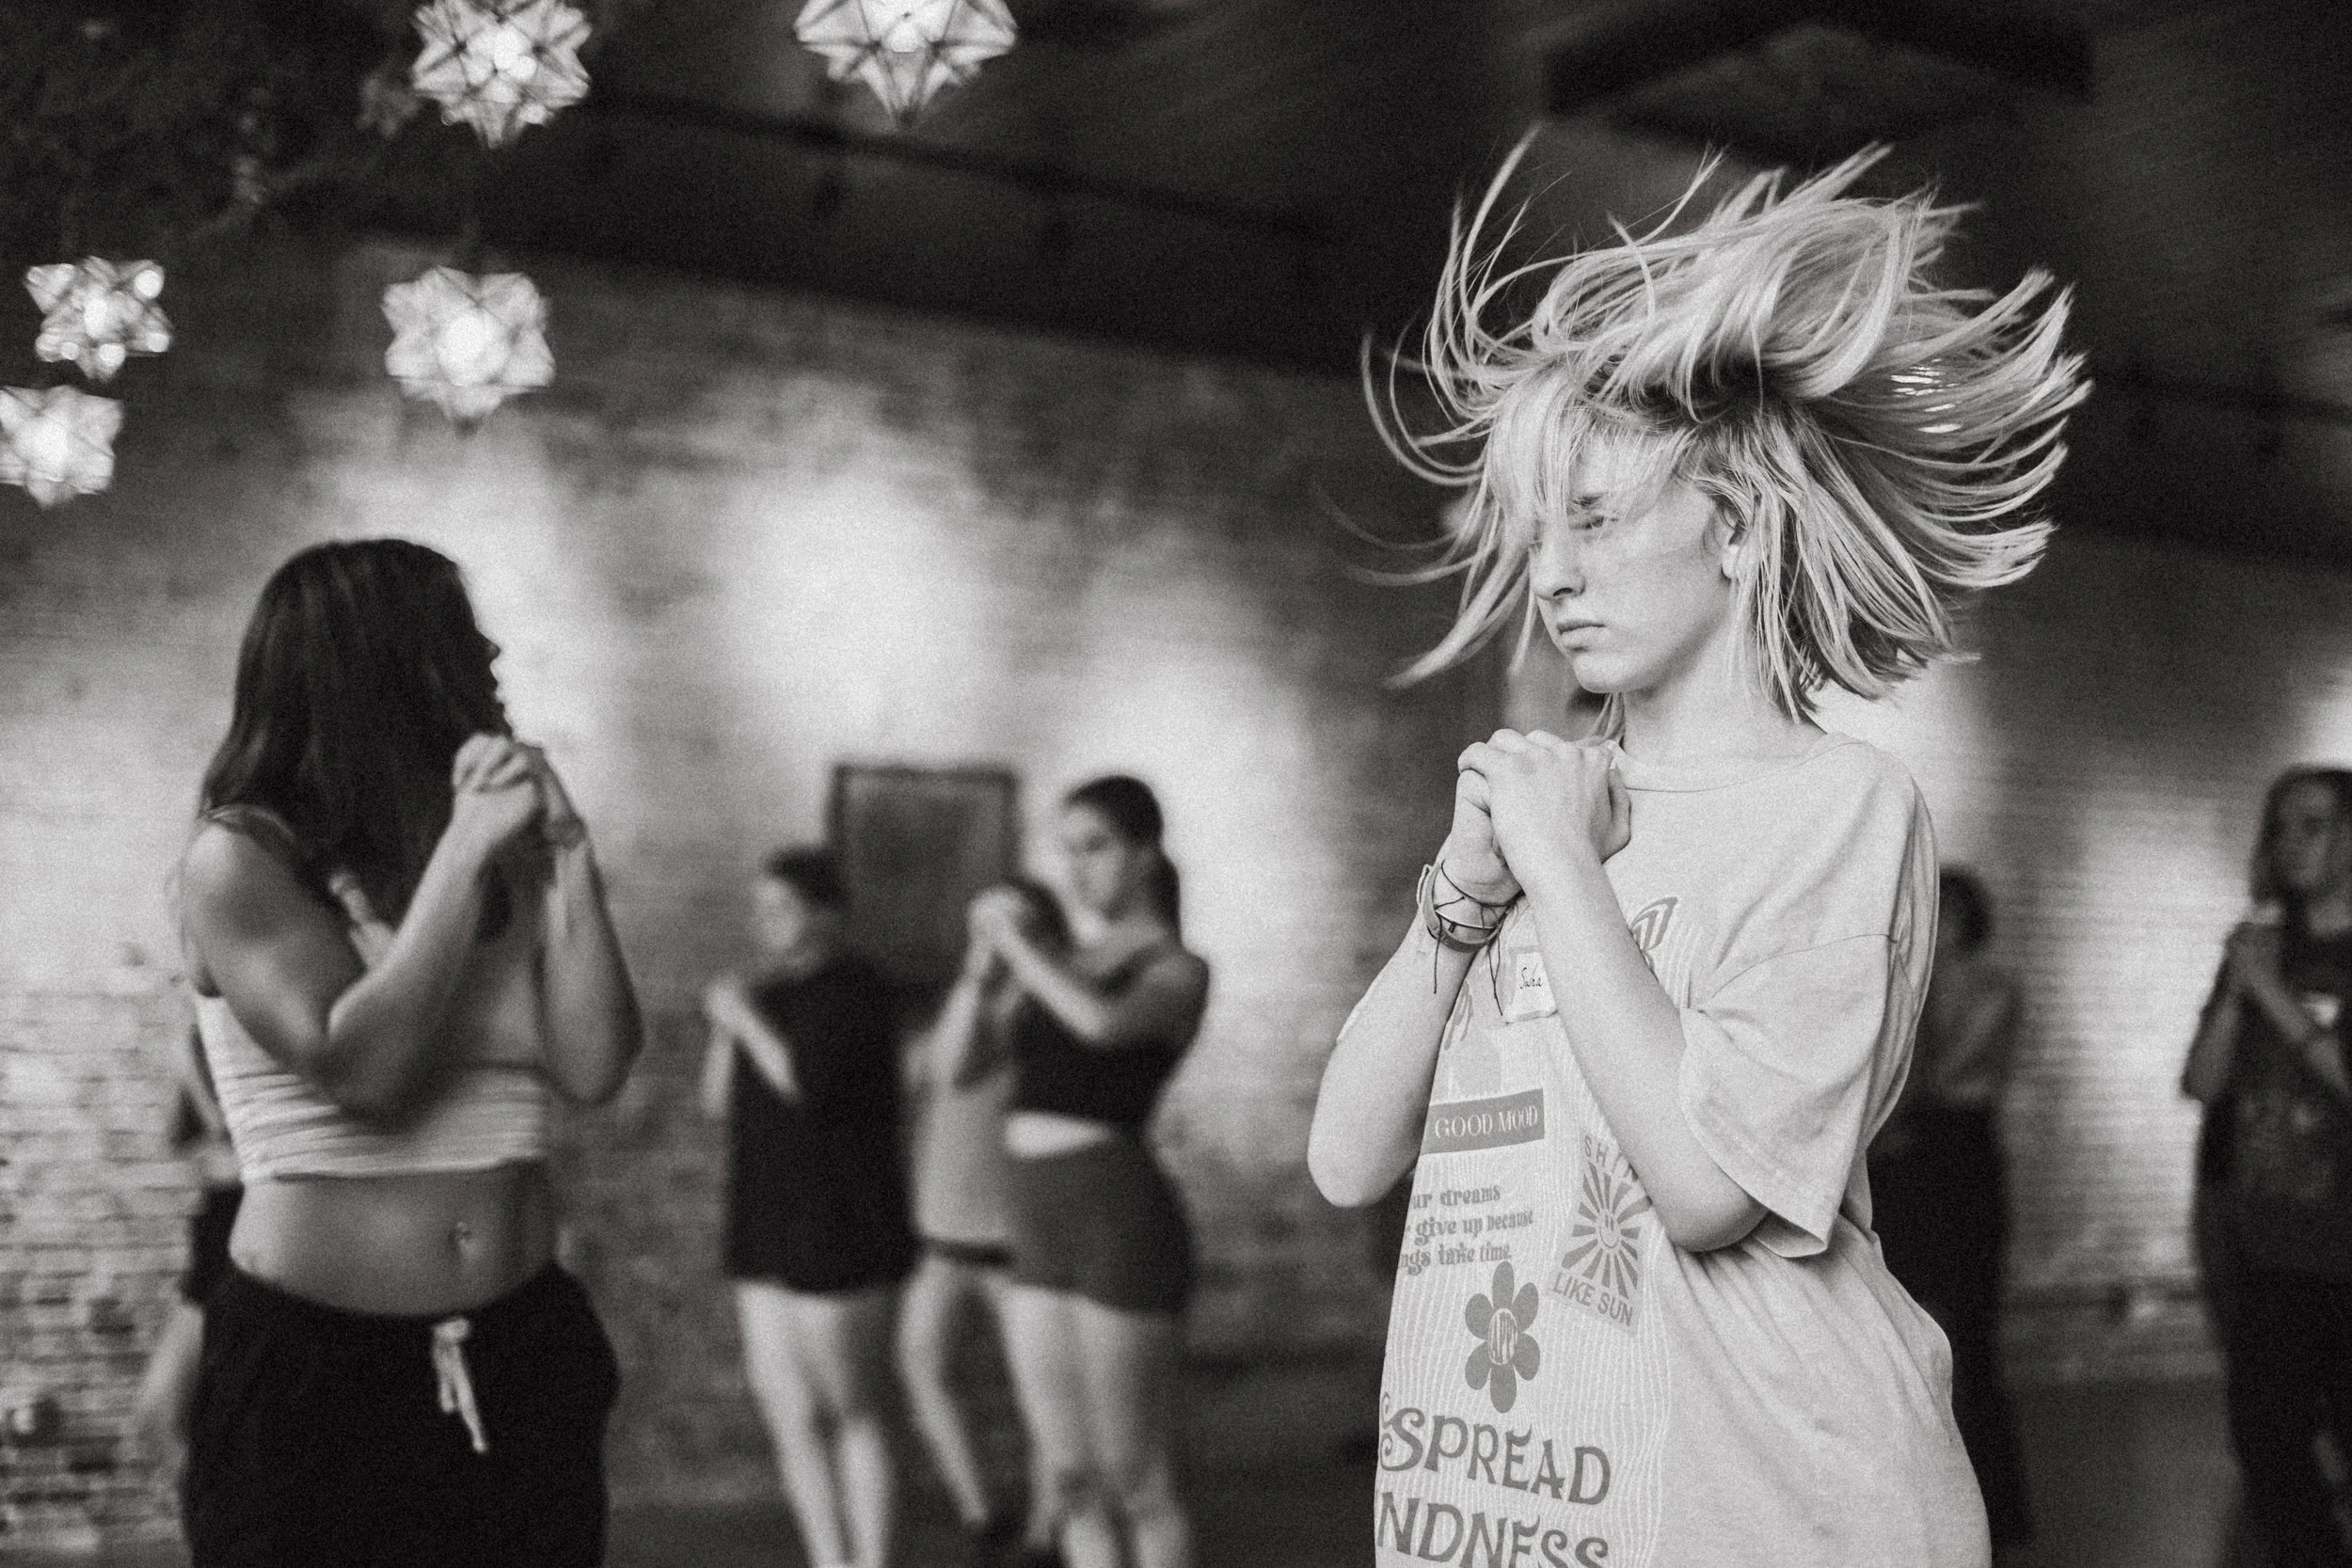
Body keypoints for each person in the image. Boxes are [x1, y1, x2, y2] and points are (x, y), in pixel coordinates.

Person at [1310, 142, 2084, 1566]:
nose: (1550, 575)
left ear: (1732, 526)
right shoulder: (1549, 806)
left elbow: (1711, 1186)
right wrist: (1465, 890)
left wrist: (1558, 870)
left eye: (1594, 518)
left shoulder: (1840, 802)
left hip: (1774, 1502)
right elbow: (1349, 1156)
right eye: (1538, 531)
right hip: (1524, 1487)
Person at [174, 538, 642, 1568]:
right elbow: (364, 1072)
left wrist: (567, 854)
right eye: (458, 632)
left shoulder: (512, 851)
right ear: (383, 662)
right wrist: (466, 848)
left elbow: (597, 1063)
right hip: (316, 1371)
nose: (489, 652)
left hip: (523, 1345)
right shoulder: (239, 858)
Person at [964, 776, 1210, 1568]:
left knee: (1135, 1474)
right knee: (1071, 1476)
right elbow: (964, 1063)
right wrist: (980, 965)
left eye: (1095, 847)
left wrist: (1021, 949)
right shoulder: (1055, 962)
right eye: (1066, 851)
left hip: (1118, 1217)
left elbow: (1103, 1025)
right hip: (1036, 1217)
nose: (1077, 869)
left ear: (1144, 855)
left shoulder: (1177, 965)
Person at [700, 847, 916, 1568]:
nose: (767, 923)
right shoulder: (764, 994)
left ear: (827, 912)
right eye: (760, 909)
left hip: (842, 1220)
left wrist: (744, 1018)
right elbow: (716, 1102)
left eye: (782, 907)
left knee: (852, 1407)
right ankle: (830, 1558)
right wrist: (727, 1026)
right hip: (767, 1217)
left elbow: (810, 1084)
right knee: (788, 1411)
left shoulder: (859, 991)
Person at [2183, 768, 2352, 1568]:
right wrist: (2233, 993)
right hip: (2269, 1242)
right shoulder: (2263, 946)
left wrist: (2272, 995)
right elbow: (2202, 1083)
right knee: (2267, 1439)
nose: (2291, 844)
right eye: (2281, 827)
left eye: (2313, 825)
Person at [1871, 868, 2037, 1561]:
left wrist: (1923, 981)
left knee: (1972, 1338)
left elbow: (1945, 1067)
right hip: (1906, 1162)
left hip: (1962, 1156)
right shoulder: (1904, 978)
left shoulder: (1990, 982)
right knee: (1895, 1333)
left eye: (1953, 912)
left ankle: (2001, 1514)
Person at [902, 877, 1069, 1565]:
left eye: (1012, 921)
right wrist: (976, 968)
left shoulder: (1045, 1005)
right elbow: (942, 1068)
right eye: (984, 920)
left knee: (1043, 1394)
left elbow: (961, 1064)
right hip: (943, 1234)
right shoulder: (967, 999)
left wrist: (1006, 967)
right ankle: (983, 1514)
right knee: (921, 1362)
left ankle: (1045, 1532)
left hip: (1014, 1236)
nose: (996, 932)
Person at [127, 1022, 243, 1489]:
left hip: (241, 1228)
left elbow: (226, 1132)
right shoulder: (202, 1033)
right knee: (162, 1412)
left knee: (163, 1409)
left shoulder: (243, 1026)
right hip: (216, 1235)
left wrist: (187, 1065)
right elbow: (182, 1138)